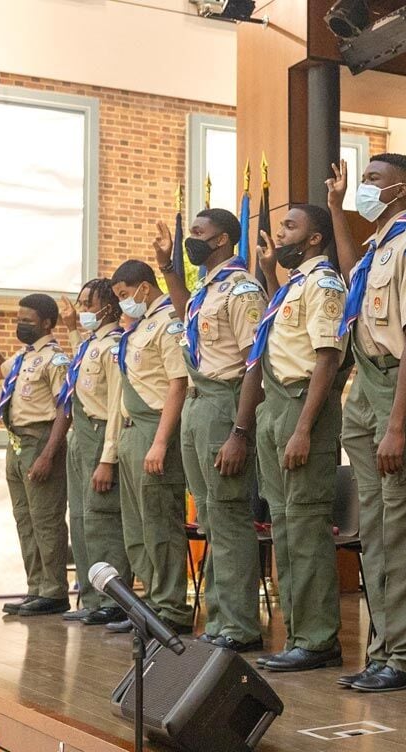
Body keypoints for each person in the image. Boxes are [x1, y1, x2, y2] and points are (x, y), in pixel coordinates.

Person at [327, 154, 406, 692]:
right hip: (368, 388)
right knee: (374, 531)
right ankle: (382, 649)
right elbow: (355, 274)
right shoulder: (380, 246)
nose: (364, 187)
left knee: (403, 531)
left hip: (404, 386)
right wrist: (335, 208)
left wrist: (398, 424)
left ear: (402, 189)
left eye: (374, 180)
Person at [236, 204, 349, 672]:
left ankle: (319, 639)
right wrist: (267, 274)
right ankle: (301, 634)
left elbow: (326, 357)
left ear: (316, 239)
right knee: (285, 529)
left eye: (290, 227)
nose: (278, 232)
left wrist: (304, 427)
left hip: (304, 407)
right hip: (276, 406)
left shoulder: (324, 283)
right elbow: (282, 339)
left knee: (305, 530)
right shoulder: (294, 287)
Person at [165, 208, 266, 652]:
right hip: (197, 406)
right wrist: (169, 269)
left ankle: (239, 626)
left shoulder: (242, 289)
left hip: (225, 406)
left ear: (223, 240)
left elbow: (253, 362)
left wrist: (241, 431)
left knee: (229, 520)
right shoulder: (209, 289)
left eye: (199, 234)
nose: (193, 240)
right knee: (210, 519)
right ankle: (220, 619)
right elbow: (185, 313)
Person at [108, 258, 193, 635]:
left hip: (154, 430)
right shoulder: (140, 327)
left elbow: (178, 383)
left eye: (126, 295)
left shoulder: (168, 323)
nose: (124, 303)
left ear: (144, 287)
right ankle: (151, 606)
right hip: (129, 433)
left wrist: (160, 442)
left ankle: (171, 607)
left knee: (160, 524)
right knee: (137, 529)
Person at [0, 293, 73, 617]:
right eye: (19, 320)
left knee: (46, 520)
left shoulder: (54, 359)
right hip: (16, 444)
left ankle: (55, 590)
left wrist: (48, 454)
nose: (20, 325)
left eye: (27, 321)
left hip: (40, 441)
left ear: (46, 322)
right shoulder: (24, 356)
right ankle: (36, 588)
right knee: (25, 519)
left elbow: (65, 408)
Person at [54, 280, 129, 625]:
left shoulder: (114, 347)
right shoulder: (90, 345)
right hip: (80, 435)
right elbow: (81, 380)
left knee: (103, 521)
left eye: (89, 303)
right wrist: (71, 327)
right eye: (81, 302)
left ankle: (113, 599)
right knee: (82, 520)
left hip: (100, 435)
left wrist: (107, 458)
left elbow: (115, 405)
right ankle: (90, 595)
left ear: (109, 309)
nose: (83, 309)